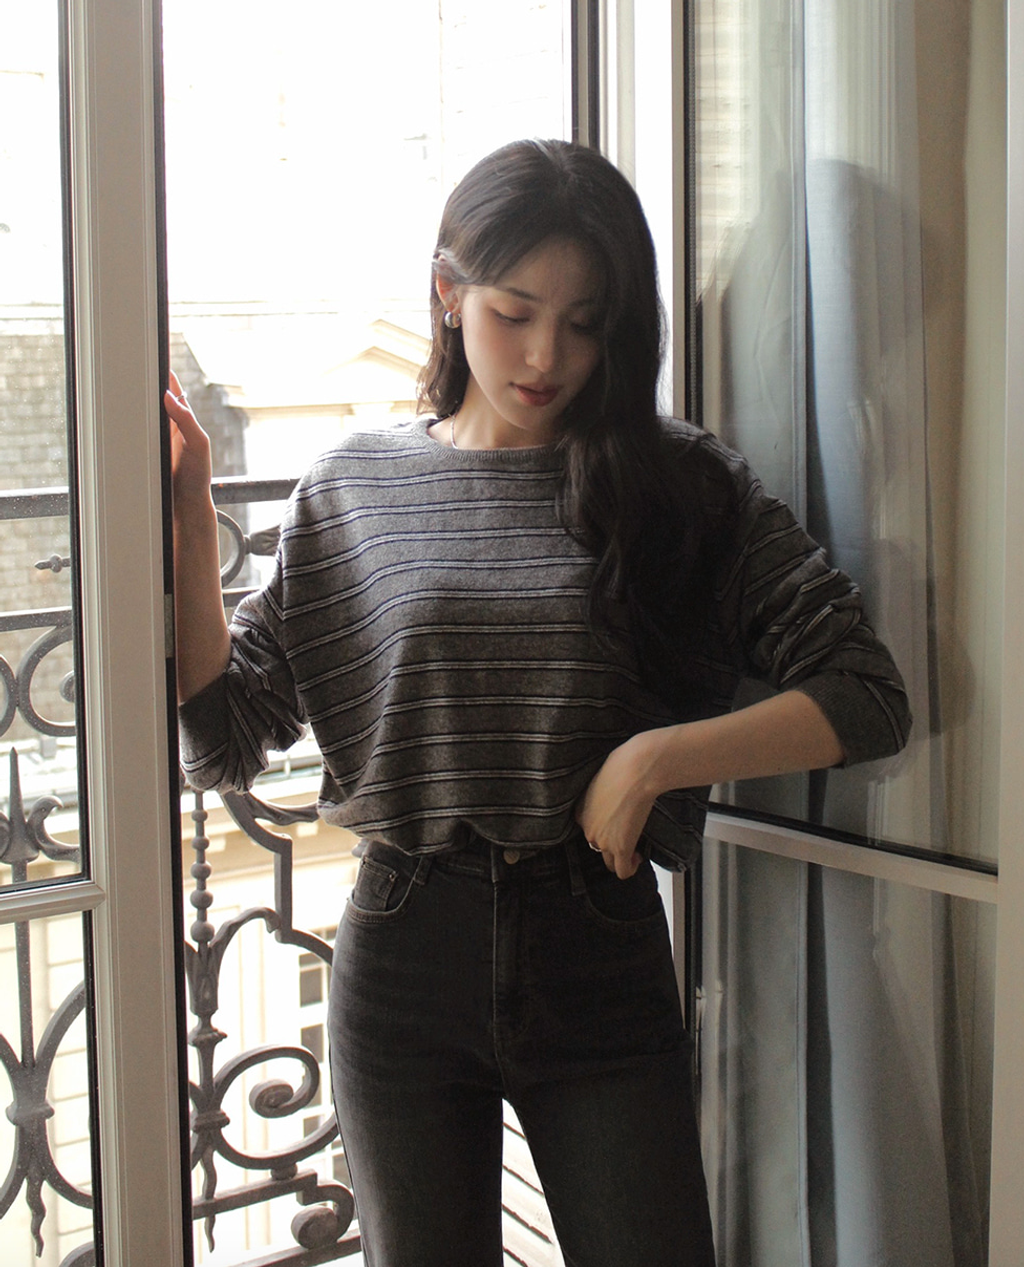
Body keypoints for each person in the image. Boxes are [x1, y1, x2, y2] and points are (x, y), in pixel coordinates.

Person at [167, 139, 910, 1267]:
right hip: (404, 954)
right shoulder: (352, 487)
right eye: (514, 312)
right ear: (447, 293)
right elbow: (225, 737)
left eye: (585, 323)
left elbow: (866, 693)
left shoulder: (681, 485)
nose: (546, 356)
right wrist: (186, 518)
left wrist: (654, 759)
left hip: (597, 944)